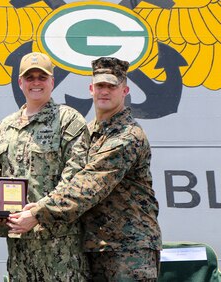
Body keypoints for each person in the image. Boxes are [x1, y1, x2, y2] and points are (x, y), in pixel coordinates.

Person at [8, 57, 162, 281]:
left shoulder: (127, 136)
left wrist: (37, 213)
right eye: (100, 85)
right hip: (96, 246)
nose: (105, 91)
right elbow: (71, 177)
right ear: (91, 89)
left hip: (129, 250)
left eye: (112, 86)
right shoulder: (91, 131)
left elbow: (87, 187)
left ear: (125, 90)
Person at [0, 52, 90, 281]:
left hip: (59, 245)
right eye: (30, 77)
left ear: (52, 82)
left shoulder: (69, 121)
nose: (36, 82)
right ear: (20, 83)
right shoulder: (5, 126)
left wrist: (38, 214)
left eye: (42, 77)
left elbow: (75, 181)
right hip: (19, 245)